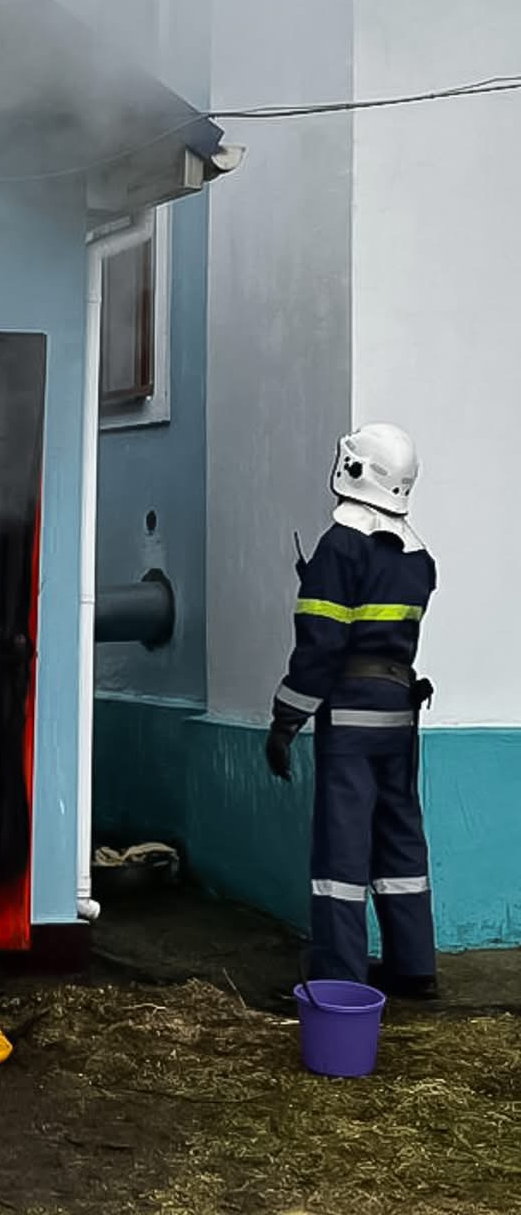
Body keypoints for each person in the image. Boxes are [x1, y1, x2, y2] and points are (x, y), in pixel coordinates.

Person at [266, 423, 438, 997]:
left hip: (350, 714)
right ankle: (414, 969)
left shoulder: (340, 544)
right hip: (400, 713)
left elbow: (320, 645)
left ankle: (339, 979)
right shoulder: (418, 556)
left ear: (355, 471)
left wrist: (286, 718)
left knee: (342, 849)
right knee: (400, 842)